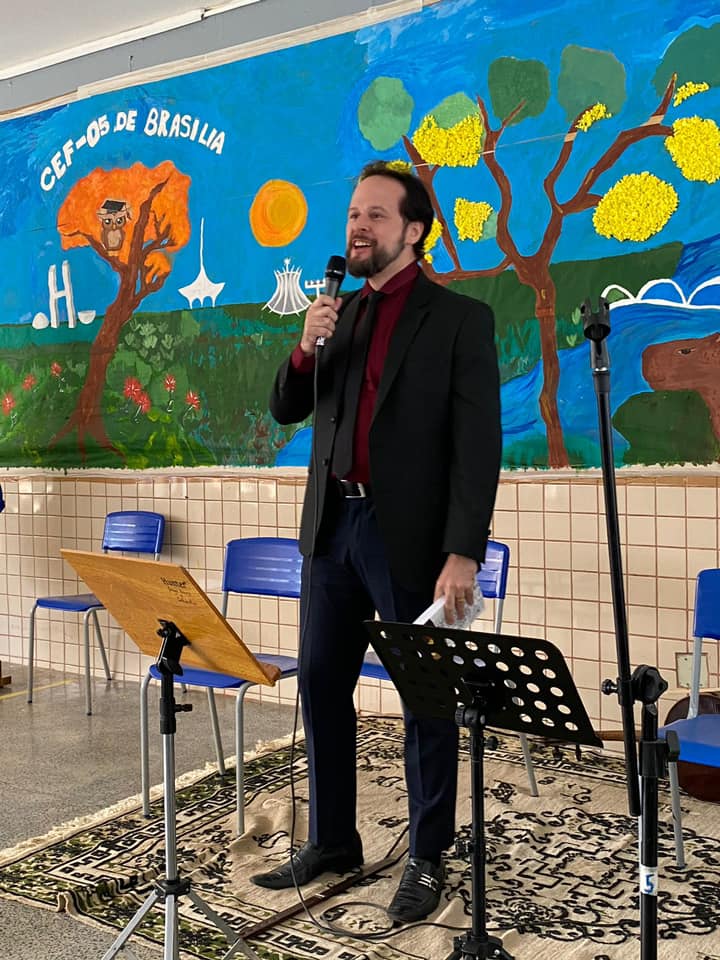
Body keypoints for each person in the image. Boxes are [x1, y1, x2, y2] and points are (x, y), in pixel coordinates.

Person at [251, 161, 502, 923]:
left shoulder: (458, 319)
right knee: (322, 685)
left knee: (426, 700)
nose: (358, 227)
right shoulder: (339, 314)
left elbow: (478, 446)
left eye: (376, 216)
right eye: (354, 214)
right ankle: (333, 840)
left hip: (412, 538)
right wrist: (304, 347)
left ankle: (426, 854)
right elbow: (287, 408)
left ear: (414, 230)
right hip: (333, 527)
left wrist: (463, 550)